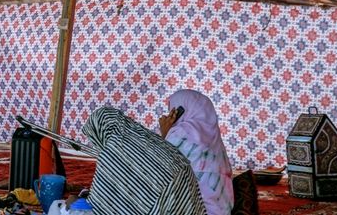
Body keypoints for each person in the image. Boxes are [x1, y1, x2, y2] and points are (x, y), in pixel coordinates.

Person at [66, 107, 207, 215]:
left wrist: (73, 202)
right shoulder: (141, 137)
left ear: (98, 132)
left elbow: (100, 208)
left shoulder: (112, 151)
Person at [159, 89, 234, 215]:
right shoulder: (216, 142)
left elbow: (158, 167)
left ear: (178, 112)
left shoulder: (180, 134)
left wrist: (165, 133)